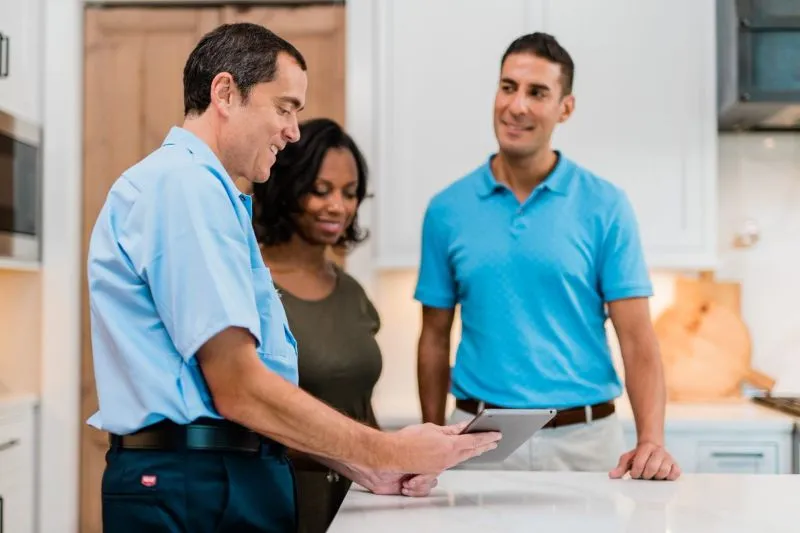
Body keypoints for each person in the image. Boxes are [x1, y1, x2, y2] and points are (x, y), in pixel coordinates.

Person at [86, 23, 500, 533]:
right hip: (196, 484)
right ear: (225, 93)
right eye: (284, 107)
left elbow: (235, 400)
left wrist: (365, 465)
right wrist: (390, 447)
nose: (293, 131)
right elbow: (238, 388)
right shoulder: (184, 187)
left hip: (220, 474)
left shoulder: (210, 196)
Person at [414, 32, 680, 481]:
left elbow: (637, 340)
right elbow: (434, 337)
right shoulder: (447, 210)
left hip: (586, 443)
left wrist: (650, 441)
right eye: (508, 87)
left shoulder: (605, 205)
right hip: (479, 440)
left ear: (565, 108)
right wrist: (432, 434)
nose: (517, 106)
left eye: (537, 93)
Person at [250, 117, 380, 532]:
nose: (338, 207)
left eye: (350, 193)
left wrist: (396, 462)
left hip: (358, 501)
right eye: (320, 191)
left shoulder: (352, 294)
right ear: (287, 187)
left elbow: (361, 408)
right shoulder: (252, 285)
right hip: (277, 503)